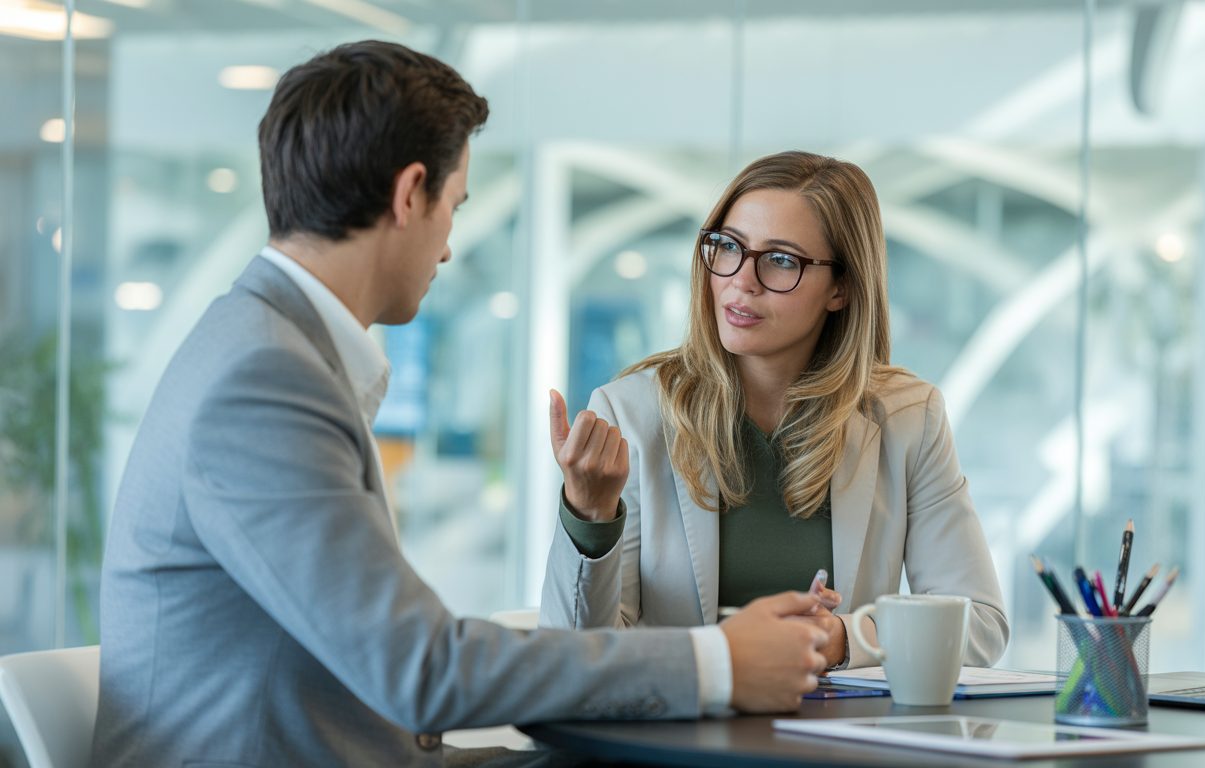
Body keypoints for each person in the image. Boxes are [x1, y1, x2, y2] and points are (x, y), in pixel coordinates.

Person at [91, 42, 832, 768]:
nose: (448, 247)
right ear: (410, 194)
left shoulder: (264, 344)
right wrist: (717, 663)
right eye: (455, 205)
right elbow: (419, 669)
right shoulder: (261, 381)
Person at [540, 151, 1009, 671]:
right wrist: (588, 514)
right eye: (729, 247)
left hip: (839, 746)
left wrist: (841, 639)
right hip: (680, 744)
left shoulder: (908, 417)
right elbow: (572, 660)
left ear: (842, 288)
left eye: (781, 260)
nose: (742, 280)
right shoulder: (631, 412)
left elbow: (981, 625)